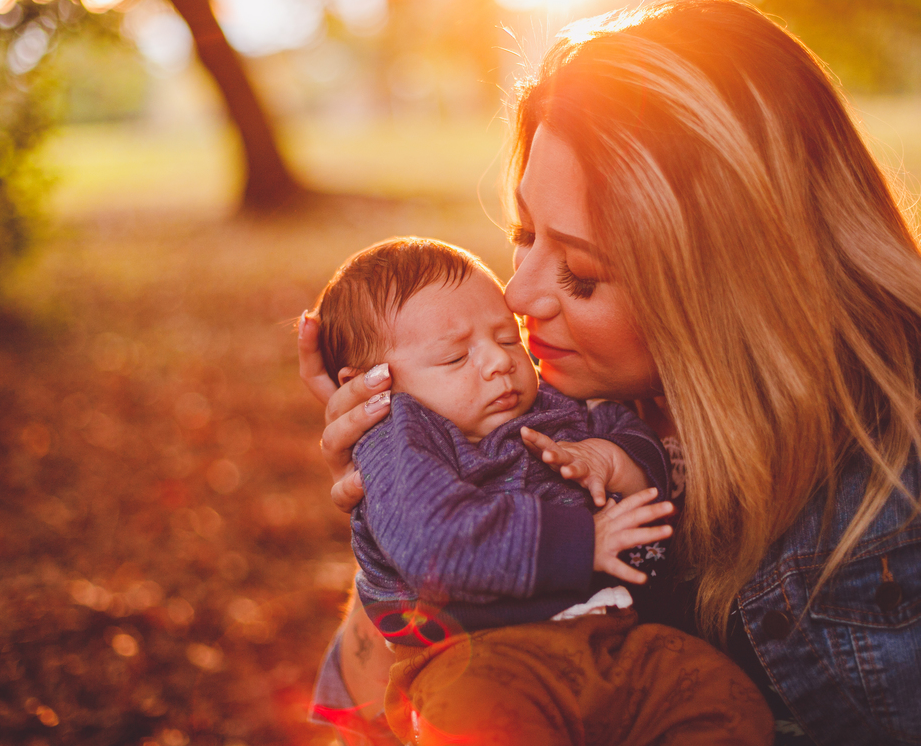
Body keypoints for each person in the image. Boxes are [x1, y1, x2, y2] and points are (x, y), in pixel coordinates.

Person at [299, 0, 921, 746]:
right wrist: (395, 494)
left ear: (732, 282)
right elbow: (377, 714)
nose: (520, 294)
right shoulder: (550, 411)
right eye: (523, 232)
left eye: (580, 271)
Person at [309, 236, 774, 746]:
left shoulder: (553, 400)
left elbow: (627, 435)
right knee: (484, 725)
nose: (500, 362)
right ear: (375, 384)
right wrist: (583, 541)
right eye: (454, 357)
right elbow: (433, 541)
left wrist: (612, 459)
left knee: (718, 694)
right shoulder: (397, 435)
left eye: (508, 338)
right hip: (477, 659)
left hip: (614, 639)